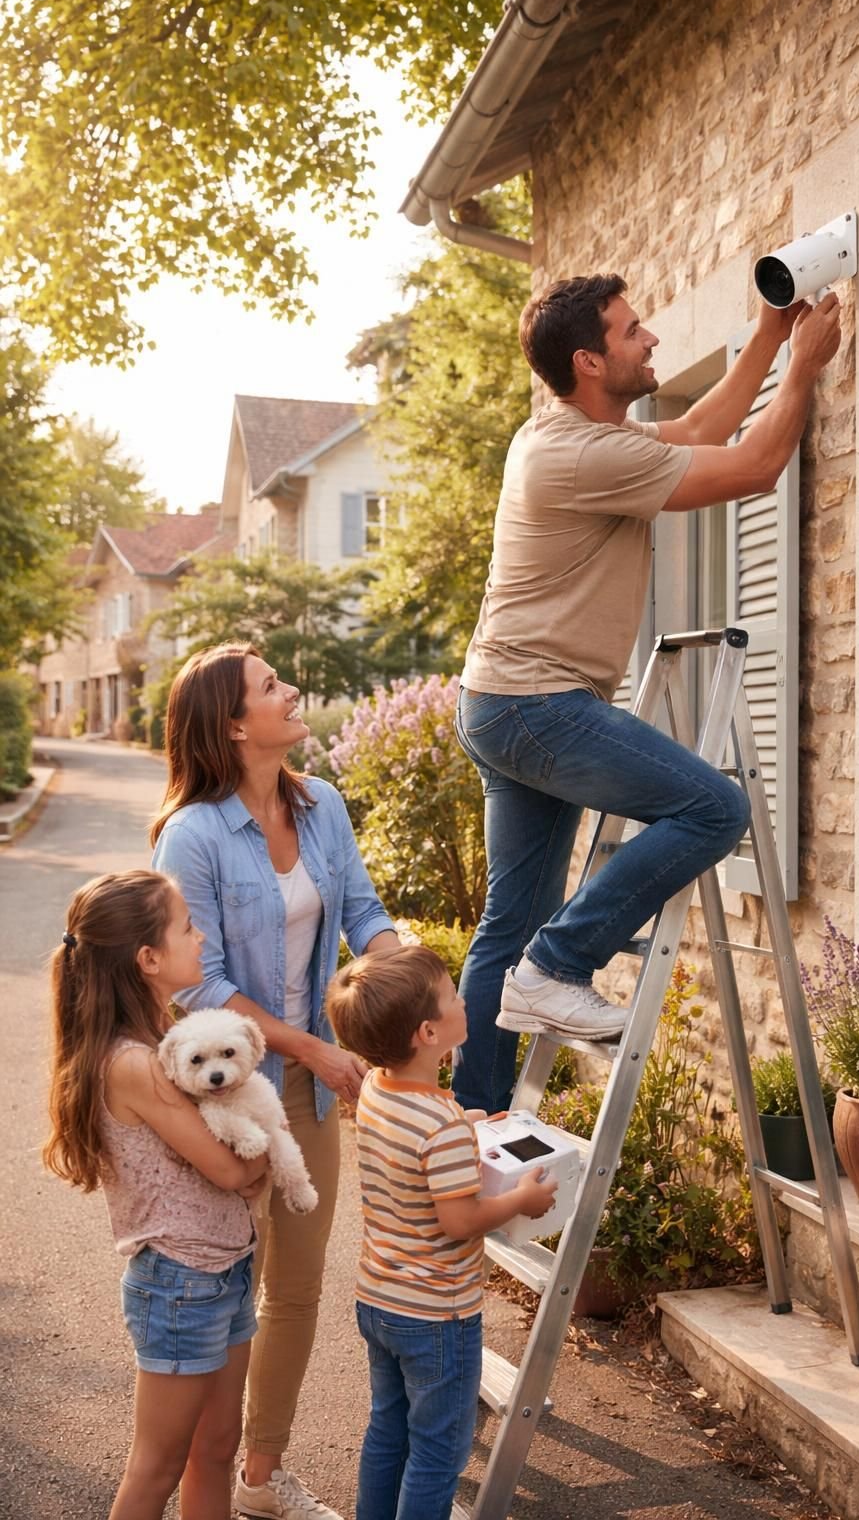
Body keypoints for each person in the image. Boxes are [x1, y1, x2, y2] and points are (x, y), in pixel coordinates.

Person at [453, 273, 842, 1114]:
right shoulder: (581, 454)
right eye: (633, 332)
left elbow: (704, 427)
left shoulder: (572, 436)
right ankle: (559, 967)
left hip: (502, 701)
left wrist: (773, 335)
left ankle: (473, 1127)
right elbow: (756, 466)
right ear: (590, 361)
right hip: (537, 704)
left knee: (506, 925)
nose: (653, 339)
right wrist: (805, 368)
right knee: (713, 810)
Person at [151, 642, 400, 1520]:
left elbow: (363, 909)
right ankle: (195, 1473)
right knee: (216, 1283)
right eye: (271, 686)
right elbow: (200, 984)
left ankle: (260, 1475)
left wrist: (404, 973)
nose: (293, 692)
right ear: (231, 724)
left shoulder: (322, 803)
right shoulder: (193, 833)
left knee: (294, 1285)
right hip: (226, 1092)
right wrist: (311, 1046)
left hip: (312, 1085)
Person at [42, 870, 270, 1520]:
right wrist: (262, 1165)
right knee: (157, 1466)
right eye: (187, 928)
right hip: (179, 1285)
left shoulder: (160, 1035)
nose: (201, 938)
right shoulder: (137, 1063)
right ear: (148, 959)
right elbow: (231, 1170)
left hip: (223, 1267)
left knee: (218, 1446)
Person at [324, 946, 557, 1520]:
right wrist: (521, 1199)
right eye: (454, 994)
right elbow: (459, 1221)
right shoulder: (442, 1127)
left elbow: (421, 1138)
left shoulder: (379, 1090)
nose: (463, 999)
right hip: (437, 1313)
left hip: (380, 1299)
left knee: (389, 1429)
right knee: (437, 1451)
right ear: (429, 1032)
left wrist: (476, 1121)